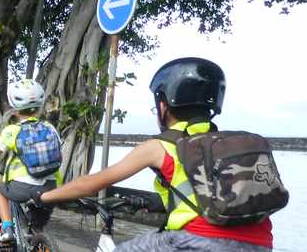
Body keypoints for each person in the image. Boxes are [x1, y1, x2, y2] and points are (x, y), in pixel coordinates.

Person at [35, 57, 274, 251]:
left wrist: (43, 198)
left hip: (196, 242)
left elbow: (89, 184)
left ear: (164, 104)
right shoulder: (223, 145)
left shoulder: (160, 145)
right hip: (262, 244)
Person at [0, 78, 64, 245]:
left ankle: (7, 228)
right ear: (40, 106)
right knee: (39, 217)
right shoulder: (50, 128)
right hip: (51, 187)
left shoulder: (12, 130)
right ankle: (39, 233)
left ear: (15, 109)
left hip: (22, 188)